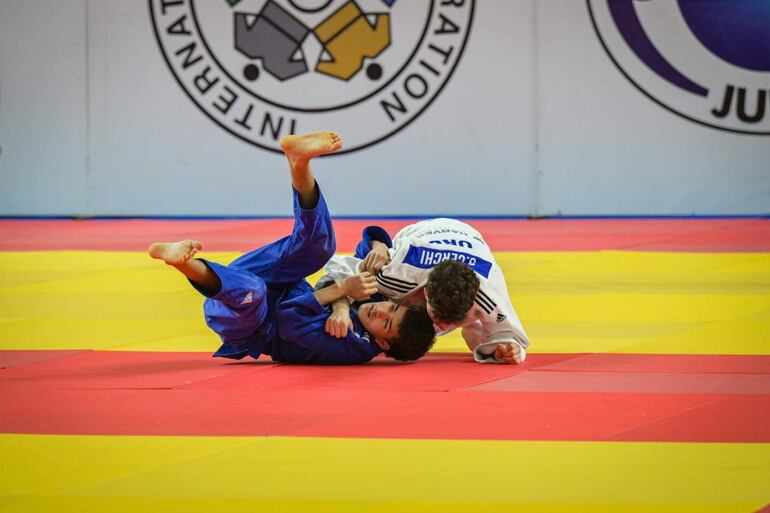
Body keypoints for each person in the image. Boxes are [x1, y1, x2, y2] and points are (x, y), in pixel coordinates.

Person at [148, 131, 436, 365]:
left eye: (386, 324)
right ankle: (299, 161)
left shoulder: (348, 347)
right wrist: (380, 246)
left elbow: (287, 318)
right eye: (391, 307)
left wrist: (341, 292)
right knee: (319, 248)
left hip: (250, 323)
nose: (381, 311)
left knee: (252, 291)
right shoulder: (374, 307)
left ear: (382, 343)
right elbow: (362, 254)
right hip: (280, 283)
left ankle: (180, 262)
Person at [317, 218, 529, 364]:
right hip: (421, 235)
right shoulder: (396, 271)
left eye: (453, 321)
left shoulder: (490, 291)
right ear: (425, 292)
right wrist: (341, 307)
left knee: (482, 338)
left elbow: (512, 337)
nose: (443, 326)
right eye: (438, 317)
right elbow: (339, 268)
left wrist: (508, 350)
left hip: (470, 237)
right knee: (367, 296)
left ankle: (472, 326)